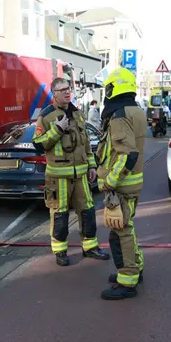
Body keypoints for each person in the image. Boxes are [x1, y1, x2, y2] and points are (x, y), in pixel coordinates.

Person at [33, 78, 110, 267]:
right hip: (58, 175)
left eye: (69, 89)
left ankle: (90, 247)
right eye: (62, 90)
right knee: (60, 214)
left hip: (81, 174)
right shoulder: (47, 116)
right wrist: (58, 130)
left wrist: (92, 166)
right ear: (54, 93)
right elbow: (38, 144)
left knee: (88, 211)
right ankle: (60, 251)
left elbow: (85, 144)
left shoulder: (77, 113)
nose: (68, 92)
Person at [96, 67, 146, 300]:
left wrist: (108, 182)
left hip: (122, 186)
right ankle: (135, 268)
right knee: (126, 229)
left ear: (112, 89)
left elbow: (127, 155)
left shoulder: (118, 116)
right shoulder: (135, 110)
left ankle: (128, 281)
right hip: (133, 183)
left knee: (121, 231)